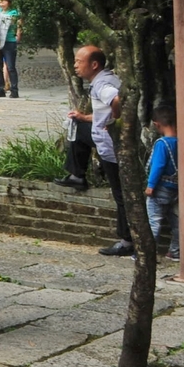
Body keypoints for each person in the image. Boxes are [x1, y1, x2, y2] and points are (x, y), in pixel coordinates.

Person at [67, 45, 133, 256]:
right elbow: (104, 111)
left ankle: (126, 241)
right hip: (103, 139)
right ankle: (77, 174)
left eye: (79, 61)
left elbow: (116, 100)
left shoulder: (102, 84)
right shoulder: (107, 78)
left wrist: (116, 120)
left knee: (121, 194)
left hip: (111, 148)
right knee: (77, 128)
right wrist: (84, 118)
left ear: (94, 65)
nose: (75, 65)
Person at [147, 107, 181, 261]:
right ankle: (175, 251)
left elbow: (158, 165)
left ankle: (147, 255)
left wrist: (150, 185)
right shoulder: (182, 142)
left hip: (160, 188)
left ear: (157, 124)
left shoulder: (162, 143)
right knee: (177, 223)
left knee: (154, 222)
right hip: (176, 188)